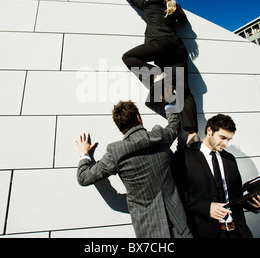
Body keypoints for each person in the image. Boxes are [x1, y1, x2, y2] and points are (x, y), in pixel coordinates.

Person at [76, 99, 192, 238]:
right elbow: (174, 125)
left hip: (149, 230)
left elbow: (84, 178)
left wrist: (84, 154)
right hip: (179, 224)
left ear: (119, 126)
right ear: (138, 118)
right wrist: (168, 103)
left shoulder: (116, 152)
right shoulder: (159, 136)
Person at [118, 0, 199, 145]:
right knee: (184, 91)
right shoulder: (174, 6)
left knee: (128, 57)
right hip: (178, 47)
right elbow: (183, 20)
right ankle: (192, 132)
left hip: (160, 44)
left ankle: (156, 76)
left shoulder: (149, 4)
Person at [172, 114, 260, 238]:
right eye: (222, 137)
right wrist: (207, 208)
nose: (226, 143)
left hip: (238, 232)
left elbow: (236, 197)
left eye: (229, 139)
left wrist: (254, 205)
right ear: (209, 131)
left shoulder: (229, 159)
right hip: (206, 233)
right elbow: (178, 195)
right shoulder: (184, 157)